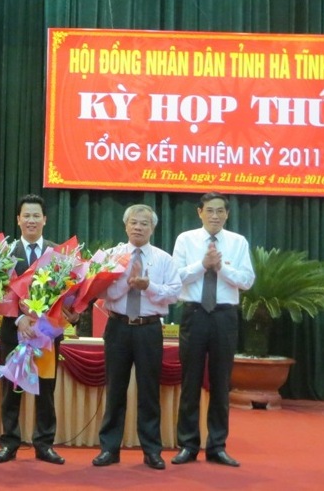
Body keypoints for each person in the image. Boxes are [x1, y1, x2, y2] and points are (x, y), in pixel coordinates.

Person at [91, 204, 181, 470]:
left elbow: (174, 293)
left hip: (148, 329)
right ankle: (109, 449)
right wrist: (125, 282)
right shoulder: (112, 256)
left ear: (152, 228)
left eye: (144, 223)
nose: (138, 227)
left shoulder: (164, 259)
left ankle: (152, 451)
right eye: (134, 222)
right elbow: (99, 291)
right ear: (125, 226)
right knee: (115, 389)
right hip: (117, 327)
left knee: (149, 392)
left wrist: (148, 286)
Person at [171, 192, 254, 468]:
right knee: (190, 381)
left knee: (220, 382)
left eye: (220, 211)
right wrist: (202, 265)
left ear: (227, 214)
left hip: (224, 316)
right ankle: (188, 445)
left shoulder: (238, 242)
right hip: (194, 314)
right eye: (210, 210)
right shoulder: (185, 239)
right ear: (200, 212)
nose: (215, 216)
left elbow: (247, 281)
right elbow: (176, 277)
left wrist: (221, 269)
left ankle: (217, 446)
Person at [0, 194, 77, 465]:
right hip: (13, 332)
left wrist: (71, 312)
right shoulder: (5, 253)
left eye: (36, 216)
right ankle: (9, 443)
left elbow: (69, 295)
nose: (31, 220)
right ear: (18, 220)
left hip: (47, 335)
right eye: (26, 216)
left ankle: (44, 444)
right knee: (11, 391)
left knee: (46, 391)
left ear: (45, 219)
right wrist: (20, 318)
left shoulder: (59, 254)